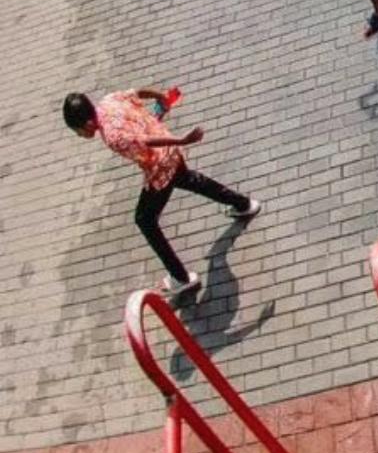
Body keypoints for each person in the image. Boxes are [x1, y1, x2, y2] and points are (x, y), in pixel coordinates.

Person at [63, 89, 261, 301]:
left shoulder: (113, 137)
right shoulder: (110, 100)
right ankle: (243, 204)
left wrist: (182, 140)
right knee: (189, 180)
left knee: (144, 220)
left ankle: (180, 278)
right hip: (170, 153)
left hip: (161, 167)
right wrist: (161, 98)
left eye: (77, 132)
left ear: (87, 125)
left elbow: (144, 141)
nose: (80, 136)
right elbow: (139, 93)